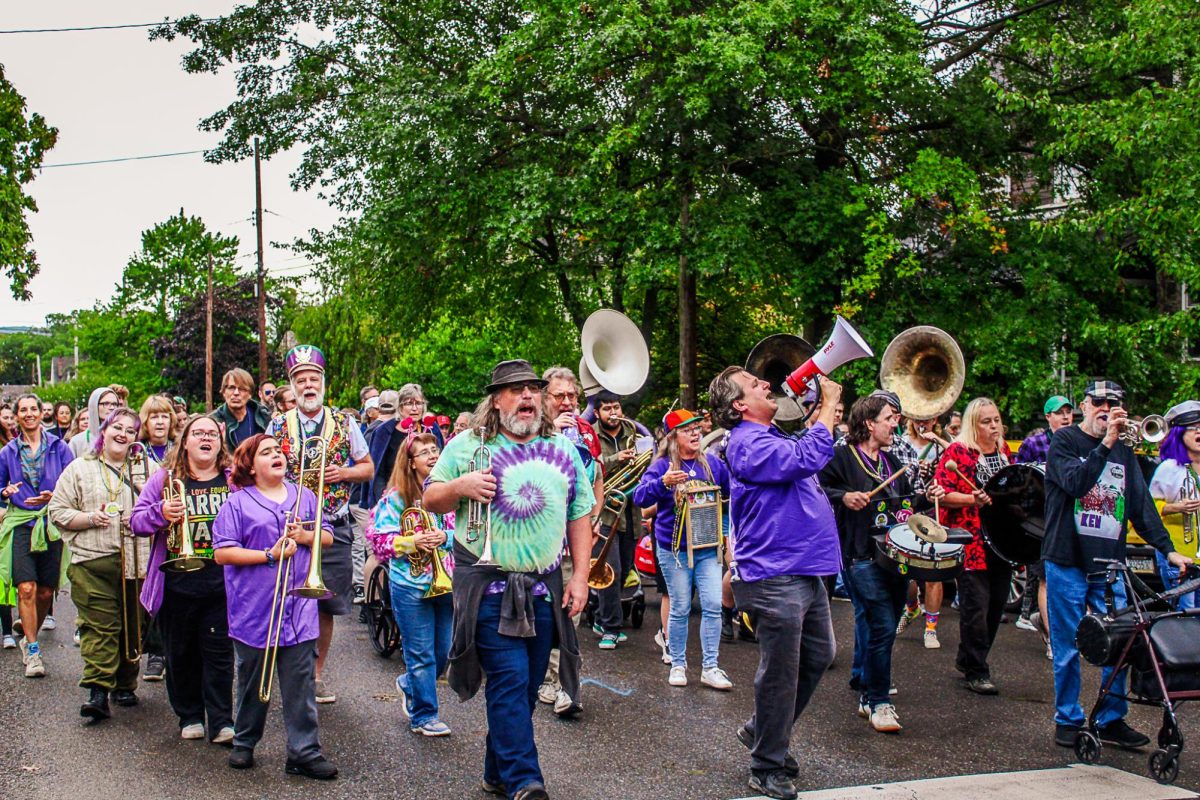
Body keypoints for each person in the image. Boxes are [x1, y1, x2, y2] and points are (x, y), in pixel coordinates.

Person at [425, 359, 593, 800]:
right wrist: (460, 486)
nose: (526, 397)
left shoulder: (564, 449)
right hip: (488, 586)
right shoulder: (467, 445)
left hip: (544, 586)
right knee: (511, 679)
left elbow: (580, 515)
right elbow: (430, 497)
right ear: (496, 401)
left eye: (532, 389)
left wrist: (581, 579)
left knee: (528, 682)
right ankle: (525, 780)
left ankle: (496, 771)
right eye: (515, 390)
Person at [710, 366, 842, 800]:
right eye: (754, 384)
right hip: (773, 574)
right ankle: (766, 765)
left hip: (801, 569)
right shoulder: (745, 443)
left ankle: (762, 730)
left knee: (820, 654)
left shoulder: (769, 437)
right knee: (781, 673)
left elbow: (804, 452)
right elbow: (804, 459)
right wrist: (825, 409)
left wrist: (815, 416)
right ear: (739, 405)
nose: (766, 383)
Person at [1044, 380, 1191, 749]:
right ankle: (1068, 718)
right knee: (1067, 646)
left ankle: (1110, 719)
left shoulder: (1125, 453)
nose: (1106, 408)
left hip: (1109, 562)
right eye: (1099, 402)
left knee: (1123, 642)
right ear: (1084, 405)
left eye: (1114, 403)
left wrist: (1168, 549)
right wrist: (1107, 443)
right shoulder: (1064, 442)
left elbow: (1141, 506)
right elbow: (1076, 484)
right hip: (1067, 560)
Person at [213, 434, 337, 779]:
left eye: (278, 451)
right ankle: (244, 742)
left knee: (300, 684)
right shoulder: (237, 504)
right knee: (253, 680)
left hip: (298, 607)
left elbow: (327, 535)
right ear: (250, 466)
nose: (276, 456)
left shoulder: (305, 496)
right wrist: (269, 555)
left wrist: (304, 536)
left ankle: (304, 752)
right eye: (265, 453)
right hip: (255, 608)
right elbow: (222, 552)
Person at [820, 395, 945, 733]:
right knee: (882, 626)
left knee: (883, 629)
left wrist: (926, 495)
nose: (895, 424)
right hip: (859, 556)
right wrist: (843, 497)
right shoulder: (841, 456)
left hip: (893, 557)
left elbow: (904, 504)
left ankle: (866, 694)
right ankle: (879, 701)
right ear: (869, 422)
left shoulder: (891, 463)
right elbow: (816, 487)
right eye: (890, 418)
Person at [266, 345, 374, 704]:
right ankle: (291, 671)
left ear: (323, 383)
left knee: (325, 603)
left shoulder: (345, 423)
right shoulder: (278, 424)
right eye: (301, 379)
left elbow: (368, 467)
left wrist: (343, 472)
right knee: (289, 601)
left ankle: (315, 674)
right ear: (292, 386)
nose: (308, 385)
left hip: (334, 525)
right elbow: (263, 468)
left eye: (314, 379)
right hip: (291, 524)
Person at [131, 415, 235, 743]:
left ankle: (221, 720)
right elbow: (136, 521)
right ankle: (189, 715)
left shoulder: (234, 479)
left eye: (212, 434)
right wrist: (159, 513)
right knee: (180, 652)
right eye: (198, 433)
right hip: (176, 583)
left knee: (218, 653)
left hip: (221, 583)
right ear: (185, 442)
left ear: (220, 443)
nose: (206, 438)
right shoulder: (165, 478)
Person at [49, 407, 151, 720]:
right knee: (100, 627)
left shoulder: (148, 468)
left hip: (137, 560)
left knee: (133, 624)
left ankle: (125, 683)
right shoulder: (79, 467)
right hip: (92, 561)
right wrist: (90, 518)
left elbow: (161, 509)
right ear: (103, 431)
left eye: (130, 430)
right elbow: (58, 511)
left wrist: (142, 519)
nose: (122, 434)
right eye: (116, 427)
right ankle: (97, 689)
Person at [632, 408, 733, 690]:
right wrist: (663, 483)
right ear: (673, 436)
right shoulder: (662, 465)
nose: (695, 432)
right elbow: (639, 497)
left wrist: (725, 533)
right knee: (680, 606)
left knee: (713, 605)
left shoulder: (712, 464)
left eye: (697, 427)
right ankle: (678, 663)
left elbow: (731, 494)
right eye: (687, 429)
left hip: (707, 545)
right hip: (673, 547)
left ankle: (710, 667)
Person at [366, 431, 455, 736]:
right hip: (410, 584)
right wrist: (413, 542)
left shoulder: (449, 493)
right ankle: (424, 716)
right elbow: (379, 541)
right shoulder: (395, 499)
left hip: (447, 582)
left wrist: (445, 537)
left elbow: (470, 533)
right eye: (425, 452)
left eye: (435, 450)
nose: (433, 455)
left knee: (443, 652)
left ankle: (408, 684)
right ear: (411, 463)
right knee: (420, 654)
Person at [933, 397, 1012, 695]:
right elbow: (941, 493)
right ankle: (978, 670)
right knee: (975, 607)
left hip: (1001, 541)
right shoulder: (958, 451)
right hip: (971, 540)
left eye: (996, 420)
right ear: (973, 425)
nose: (993, 426)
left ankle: (968, 659)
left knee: (996, 606)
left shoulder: (1004, 452)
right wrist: (971, 500)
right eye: (986, 421)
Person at [0, 393, 74, 678]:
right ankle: (32, 649)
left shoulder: (59, 447)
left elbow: (72, 483)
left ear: (42, 414)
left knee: (45, 591)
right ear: (17, 416)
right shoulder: (7, 452)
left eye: (34, 408)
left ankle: (29, 631)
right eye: (24, 410)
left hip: (50, 523)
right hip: (20, 523)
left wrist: (55, 494)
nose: (29, 413)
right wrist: (5, 492)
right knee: (26, 588)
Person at [1012, 395, 1075, 648]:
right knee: (1045, 577)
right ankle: (1053, 639)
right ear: (1048, 417)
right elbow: (1017, 476)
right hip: (1042, 518)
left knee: (1069, 578)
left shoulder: (1078, 442)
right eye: (1059, 413)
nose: (1065, 417)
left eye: (1068, 412)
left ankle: (1049, 624)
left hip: (1071, 518)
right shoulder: (1034, 443)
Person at [592, 389, 641, 647]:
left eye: (617, 407)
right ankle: (611, 628)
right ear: (598, 412)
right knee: (612, 570)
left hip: (631, 512)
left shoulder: (632, 433)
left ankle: (600, 615)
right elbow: (589, 465)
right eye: (608, 409)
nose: (614, 413)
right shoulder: (590, 434)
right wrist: (615, 459)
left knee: (625, 571)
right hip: (606, 513)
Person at [1149, 401, 1200, 608]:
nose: (1199, 433)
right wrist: (1175, 507)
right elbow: (1148, 510)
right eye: (1194, 428)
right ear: (1179, 433)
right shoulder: (1168, 468)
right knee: (1184, 614)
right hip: (1178, 554)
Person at [212, 368, 273, 451]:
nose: (236, 393)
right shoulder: (214, 421)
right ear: (223, 392)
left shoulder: (264, 416)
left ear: (250, 394)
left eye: (242, 389)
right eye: (231, 388)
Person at [71, 387, 120, 457]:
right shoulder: (77, 441)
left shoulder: (122, 438)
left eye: (115, 404)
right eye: (106, 403)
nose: (112, 407)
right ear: (94, 405)